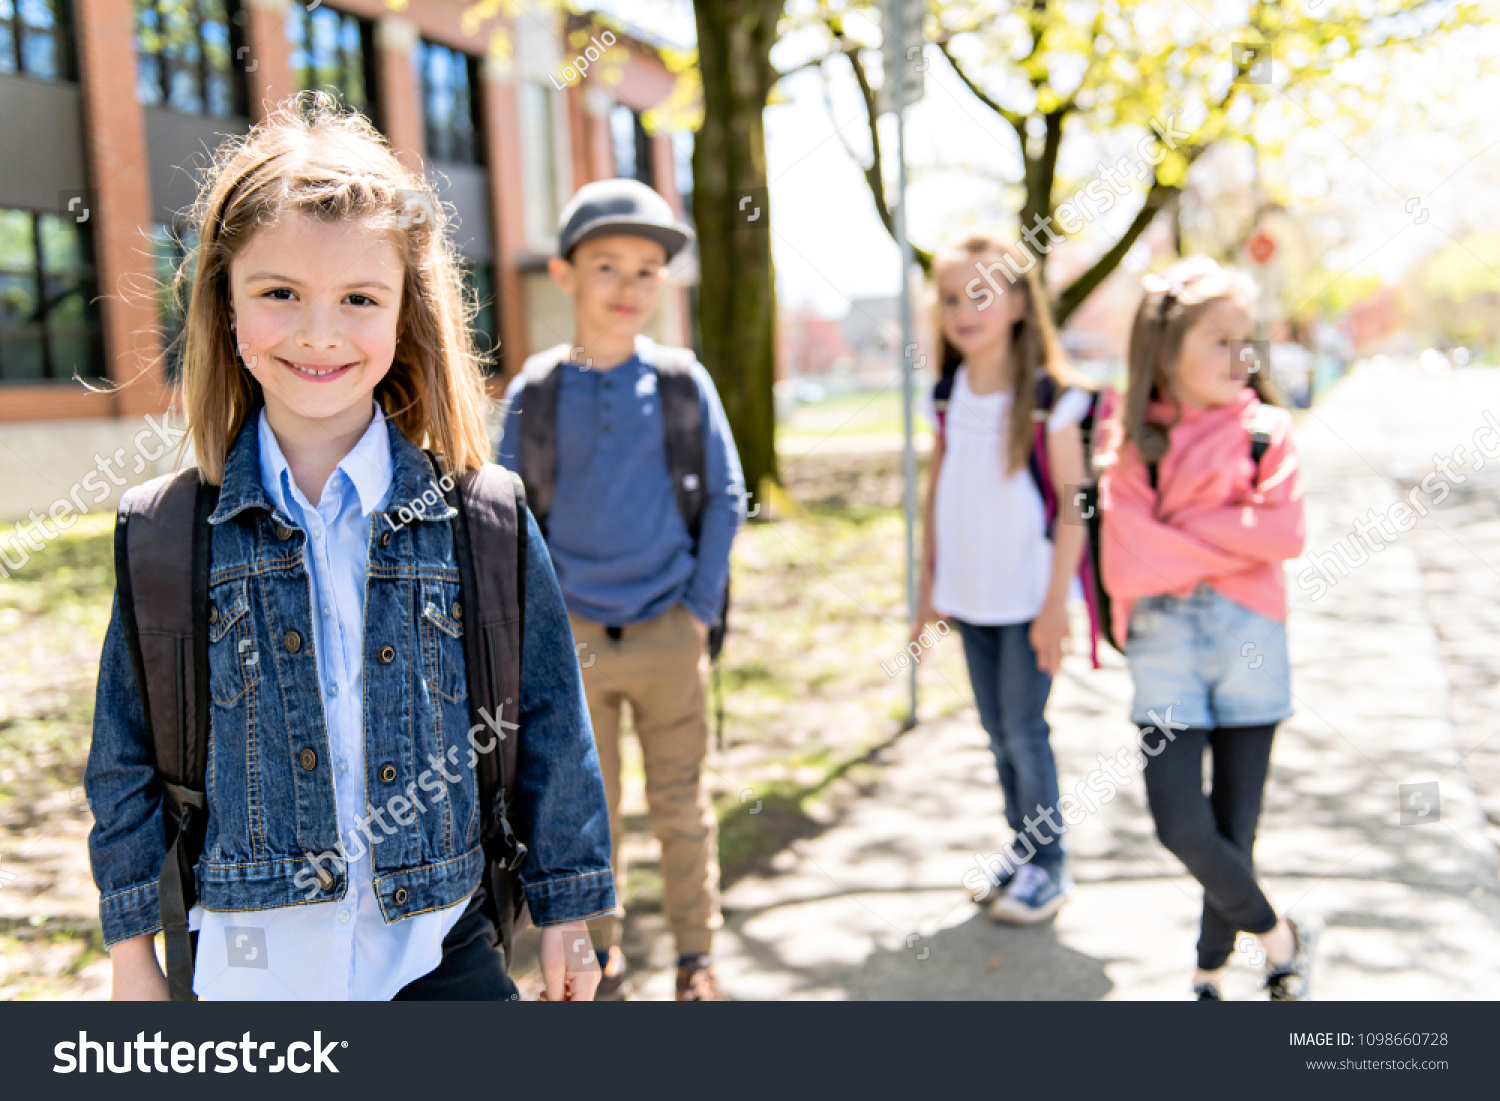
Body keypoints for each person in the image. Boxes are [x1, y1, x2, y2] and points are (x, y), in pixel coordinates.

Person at [85, 95, 614, 1001]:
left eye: (359, 298)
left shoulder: (480, 517)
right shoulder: (167, 532)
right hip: (250, 972)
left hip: (437, 956)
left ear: (406, 311)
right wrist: (133, 953)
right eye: (280, 293)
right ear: (227, 301)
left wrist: (566, 909)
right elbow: (124, 756)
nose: (320, 333)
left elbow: (552, 720)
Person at [496, 178, 745, 1000]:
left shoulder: (681, 381)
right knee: (579, 814)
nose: (628, 286)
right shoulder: (536, 391)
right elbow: (505, 518)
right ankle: (597, 954)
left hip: (670, 631)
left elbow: (726, 496)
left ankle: (694, 954)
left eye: (646, 270)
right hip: (573, 648)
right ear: (565, 274)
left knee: (681, 804)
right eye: (607, 266)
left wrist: (698, 609)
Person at [1098, 256, 1316, 1001]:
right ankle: (1279, 934)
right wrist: (1230, 534)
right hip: (1165, 650)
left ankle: (1207, 968)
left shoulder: (1265, 433)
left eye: (1247, 338)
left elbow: (1285, 532)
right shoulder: (1131, 442)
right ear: (1165, 349)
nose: (1242, 356)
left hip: (1251, 641)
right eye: (1221, 340)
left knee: (1234, 826)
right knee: (1181, 822)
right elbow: (1127, 564)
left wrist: (1178, 534)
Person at [916, 232, 1093, 923]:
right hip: (970, 597)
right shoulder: (946, 390)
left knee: (1024, 729)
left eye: (983, 294)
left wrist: (1057, 605)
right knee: (997, 731)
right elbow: (939, 492)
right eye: (952, 296)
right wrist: (928, 591)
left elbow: (1077, 507)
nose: (965, 309)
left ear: (1019, 302)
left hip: (1028, 600)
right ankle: (1023, 850)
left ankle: (1050, 865)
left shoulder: (1051, 397)